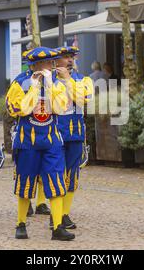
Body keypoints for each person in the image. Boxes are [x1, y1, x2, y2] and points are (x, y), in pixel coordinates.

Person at [6, 47, 75, 241]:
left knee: (56, 181)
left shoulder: (55, 83)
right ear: (35, 65)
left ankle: (57, 226)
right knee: (25, 182)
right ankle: (21, 223)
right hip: (28, 141)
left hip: (52, 141)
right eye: (47, 63)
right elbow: (20, 109)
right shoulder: (20, 83)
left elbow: (61, 108)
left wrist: (50, 85)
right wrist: (35, 88)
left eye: (52, 63)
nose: (51, 66)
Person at [53, 46, 93, 229]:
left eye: (71, 57)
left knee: (72, 175)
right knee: (56, 174)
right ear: (56, 61)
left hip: (75, 134)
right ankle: (55, 215)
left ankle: (64, 214)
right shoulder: (48, 80)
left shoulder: (83, 80)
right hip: (54, 134)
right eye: (65, 57)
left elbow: (83, 99)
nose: (69, 60)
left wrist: (68, 80)